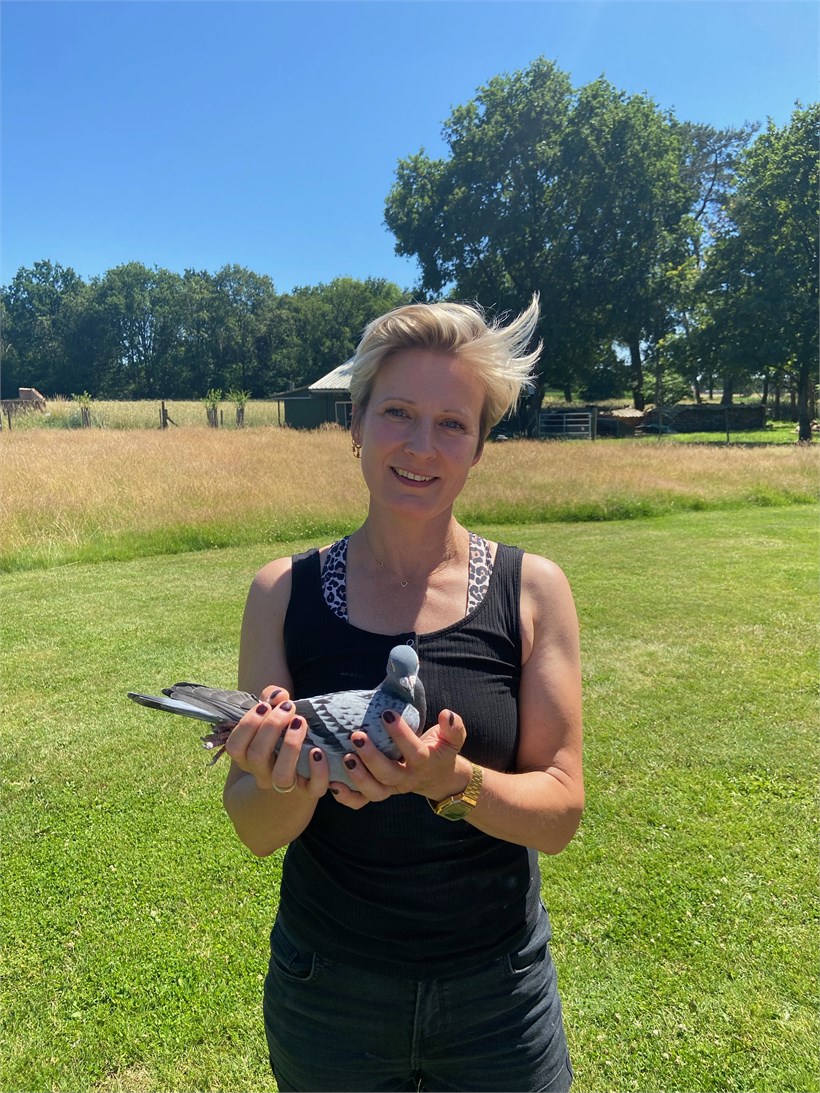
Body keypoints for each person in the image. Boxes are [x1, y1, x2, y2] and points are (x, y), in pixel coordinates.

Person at [222, 295, 584, 1093]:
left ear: (480, 445)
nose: (422, 446)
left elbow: (560, 813)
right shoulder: (282, 593)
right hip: (330, 992)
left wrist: (450, 782)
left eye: (453, 422)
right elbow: (254, 826)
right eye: (397, 413)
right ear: (354, 423)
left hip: (500, 996)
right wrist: (293, 774)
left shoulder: (533, 591)